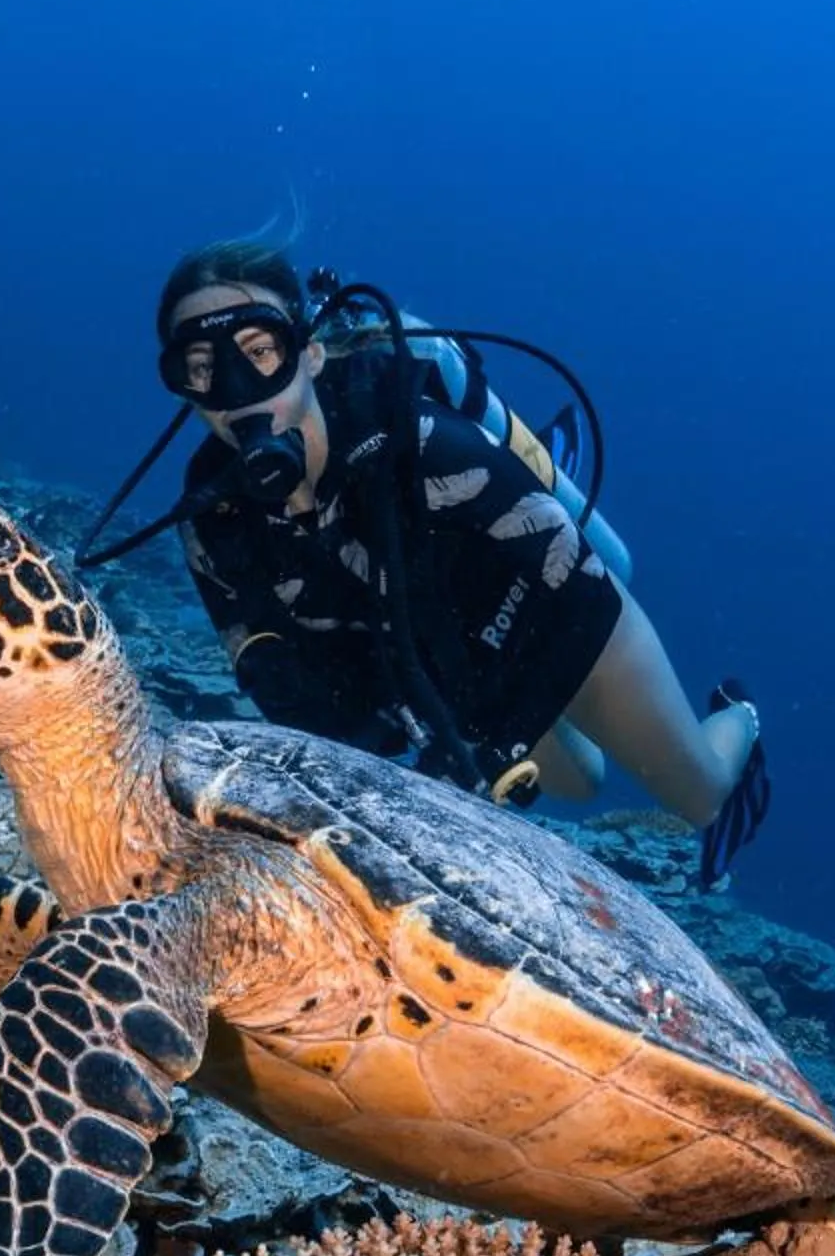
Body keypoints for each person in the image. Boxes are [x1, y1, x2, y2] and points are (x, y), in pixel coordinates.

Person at [159, 240, 770, 881]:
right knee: (581, 784)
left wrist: (497, 735)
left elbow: (572, 580)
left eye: (260, 353)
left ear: (309, 353)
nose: (235, 392)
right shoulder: (214, 517)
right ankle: (526, 491)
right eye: (200, 368)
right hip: (451, 666)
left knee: (700, 795)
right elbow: (273, 676)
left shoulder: (420, 443)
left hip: (563, 605)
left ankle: (740, 716)